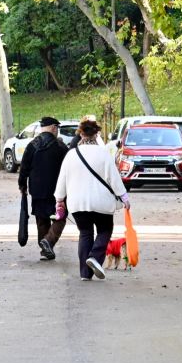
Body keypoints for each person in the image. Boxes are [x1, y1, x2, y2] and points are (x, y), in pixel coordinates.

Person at [53, 119, 128, 281]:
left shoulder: (71, 155)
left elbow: (62, 179)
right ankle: (94, 257)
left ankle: (85, 274)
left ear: (81, 134)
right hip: (102, 203)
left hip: (78, 204)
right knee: (104, 230)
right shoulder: (103, 154)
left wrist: (59, 199)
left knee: (85, 233)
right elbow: (114, 179)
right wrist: (124, 196)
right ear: (96, 134)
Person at [18, 116, 69, 261]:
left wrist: (22, 185)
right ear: (53, 127)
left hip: (37, 191)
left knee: (42, 219)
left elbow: (24, 168)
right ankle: (49, 242)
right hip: (57, 191)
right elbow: (68, 169)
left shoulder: (32, 145)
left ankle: (45, 249)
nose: (57, 131)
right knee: (61, 217)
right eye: (57, 128)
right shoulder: (60, 147)